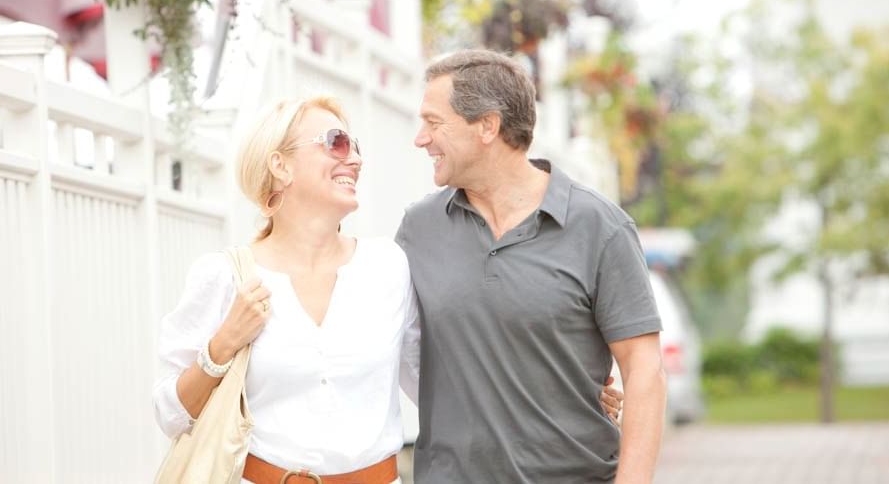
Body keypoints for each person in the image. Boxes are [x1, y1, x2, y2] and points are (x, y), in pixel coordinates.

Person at [153, 96, 622, 484]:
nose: (354, 158)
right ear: (280, 164)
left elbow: (440, 381)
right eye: (335, 143)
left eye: (355, 145)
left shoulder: (387, 267)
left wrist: (563, 389)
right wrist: (222, 345)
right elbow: (171, 413)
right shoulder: (225, 276)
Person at [396, 49, 666, 484]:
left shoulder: (600, 227)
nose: (420, 138)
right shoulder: (419, 230)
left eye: (434, 121)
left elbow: (644, 370)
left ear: (487, 125)